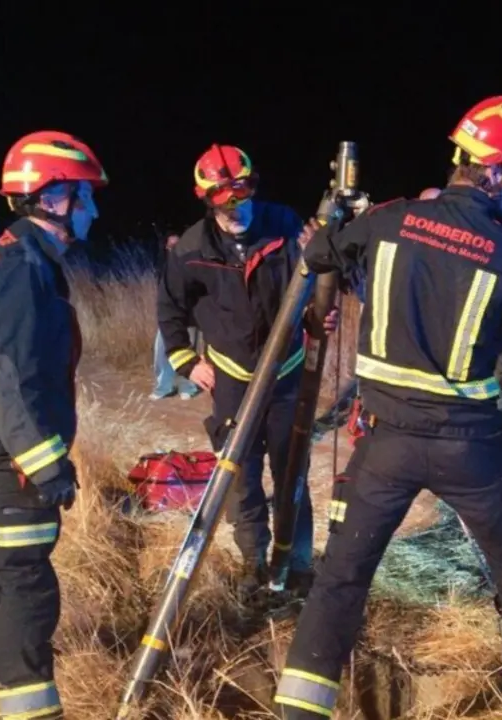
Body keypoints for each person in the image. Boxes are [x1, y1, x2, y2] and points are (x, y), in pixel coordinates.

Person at [272, 95, 502, 718]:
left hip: (385, 441)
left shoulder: (389, 221)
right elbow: (500, 341)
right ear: (493, 171)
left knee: (342, 577)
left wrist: (337, 232)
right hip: (471, 446)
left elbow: (318, 255)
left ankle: (300, 708)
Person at [0, 130, 107, 720]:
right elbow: (4, 377)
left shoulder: (25, 256)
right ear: (53, 197)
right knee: (28, 581)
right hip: (2, 447)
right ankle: (30, 706)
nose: (92, 209)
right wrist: (43, 465)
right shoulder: (19, 267)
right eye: (84, 196)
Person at [157, 143, 336, 600]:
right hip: (232, 380)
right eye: (224, 201)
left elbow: (317, 276)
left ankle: (295, 564)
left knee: (292, 471)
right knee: (242, 476)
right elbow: (170, 311)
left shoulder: (285, 225)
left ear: (253, 187)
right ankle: (254, 566)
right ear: (208, 201)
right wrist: (186, 361)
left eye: (242, 195)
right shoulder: (192, 250)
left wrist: (320, 314)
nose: (236, 208)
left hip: (287, 374)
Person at [150, 234, 201, 400]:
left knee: (188, 352)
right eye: (170, 246)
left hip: (189, 317)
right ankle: (164, 387)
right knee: (161, 352)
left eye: (176, 246)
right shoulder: (164, 267)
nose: (173, 249)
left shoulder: (191, 264)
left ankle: (187, 386)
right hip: (169, 318)